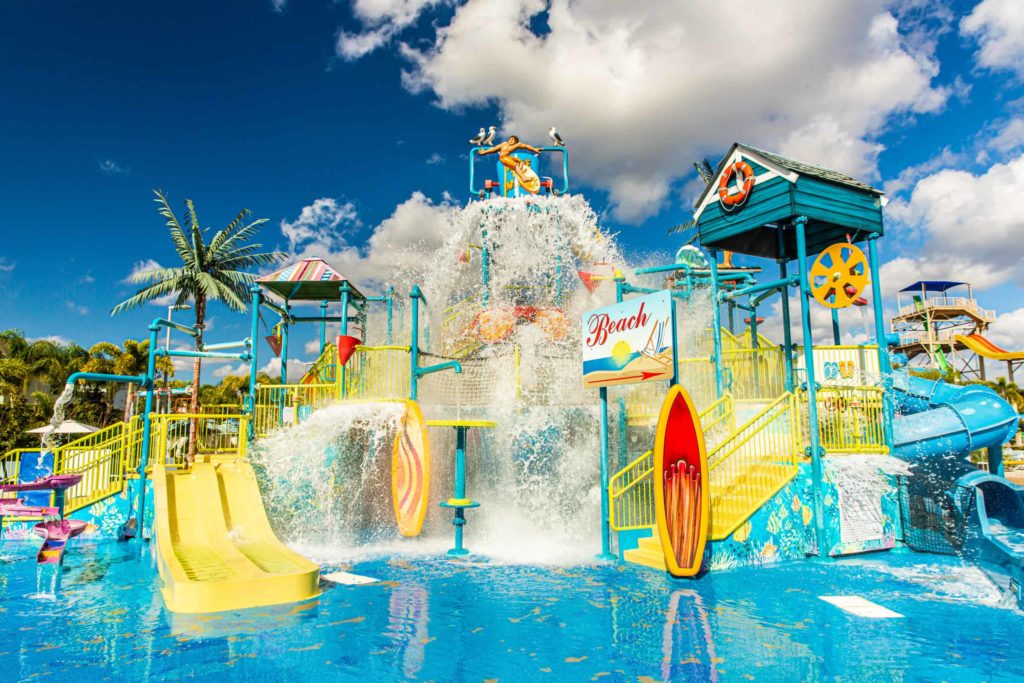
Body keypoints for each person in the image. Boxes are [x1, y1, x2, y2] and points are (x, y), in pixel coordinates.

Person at [478, 135, 544, 193]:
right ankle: (523, 177)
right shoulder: (504, 144)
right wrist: (484, 152)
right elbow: (494, 149)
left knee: (521, 161)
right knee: (516, 165)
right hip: (503, 158)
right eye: (510, 139)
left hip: (508, 157)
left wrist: (534, 149)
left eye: (513, 140)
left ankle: (520, 171)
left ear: (516, 142)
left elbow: (526, 146)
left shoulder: (517, 145)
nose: (511, 140)